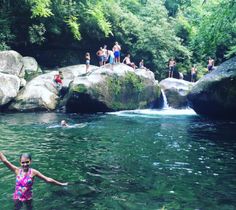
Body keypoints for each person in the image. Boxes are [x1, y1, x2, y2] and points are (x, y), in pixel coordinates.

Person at [0, 152, 67, 210]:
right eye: (23, 162)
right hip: (17, 197)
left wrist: (61, 184)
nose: (25, 164)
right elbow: (5, 161)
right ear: (20, 162)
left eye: (27, 162)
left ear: (30, 161)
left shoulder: (33, 172)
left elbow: (47, 179)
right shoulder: (17, 170)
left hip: (28, 197)